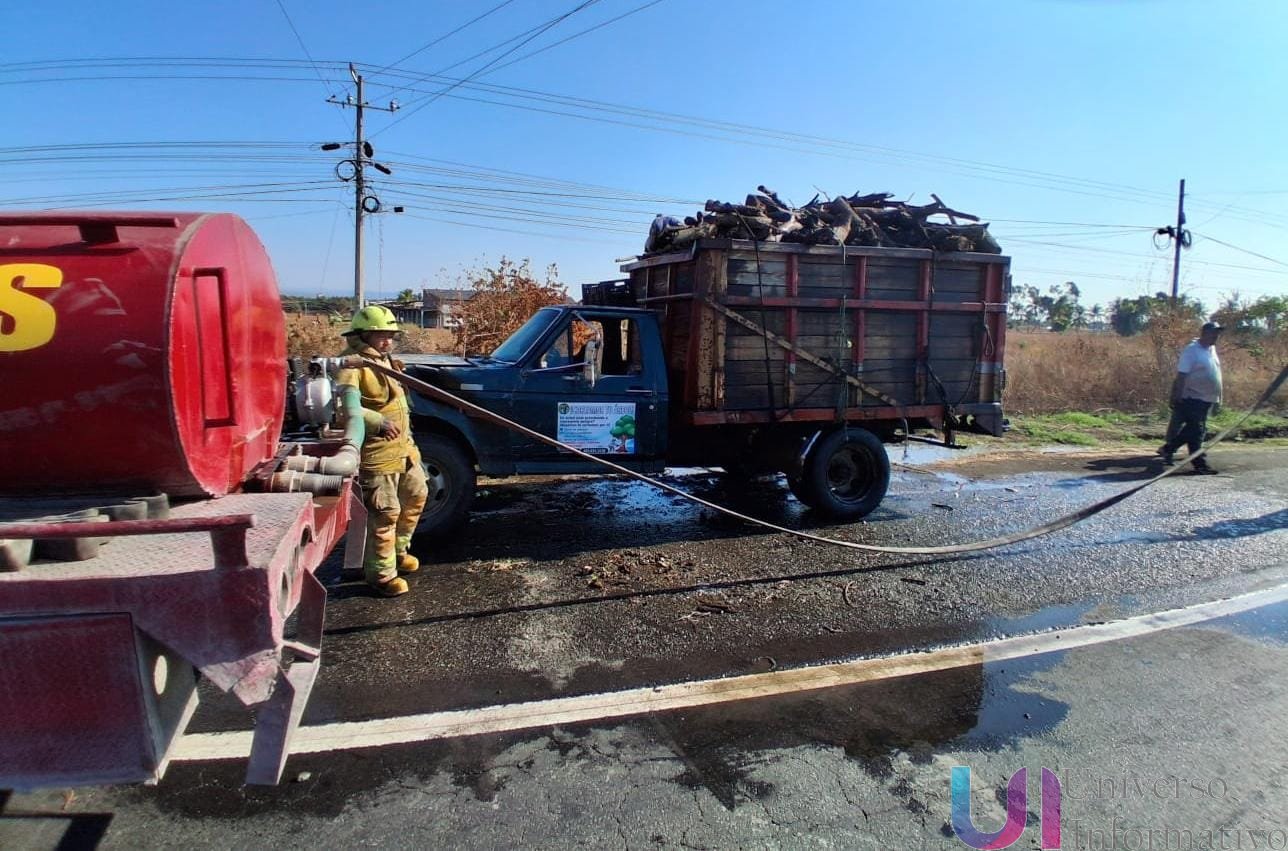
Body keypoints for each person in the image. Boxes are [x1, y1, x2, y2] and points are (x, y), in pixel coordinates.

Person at [335, 306, 429, 597]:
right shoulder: (351, 366)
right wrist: (377, 421)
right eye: (381, 335)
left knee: (417, 494)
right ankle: (382, 575)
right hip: (378, 453)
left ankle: (398, 552)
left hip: (404, 448)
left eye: (391, 335)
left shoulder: (385, 360)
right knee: (386, 513)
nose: (388, 341)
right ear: (363, 335)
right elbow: (342, 408)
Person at [1158, 321, 1224, 474]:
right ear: (1205, 333)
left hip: (1207, 399)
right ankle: (1199, 464)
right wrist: (1177, 396)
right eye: (1214, 333)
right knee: (1196, 431)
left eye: (1218, 334)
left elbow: (1217, 374)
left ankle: (1169, 449)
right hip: (1192, 397)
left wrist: (1219, 398)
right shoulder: (1192, 350)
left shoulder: (1211, 350)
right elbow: (1182, 375)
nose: (1216, 336)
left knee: (1194, 431)